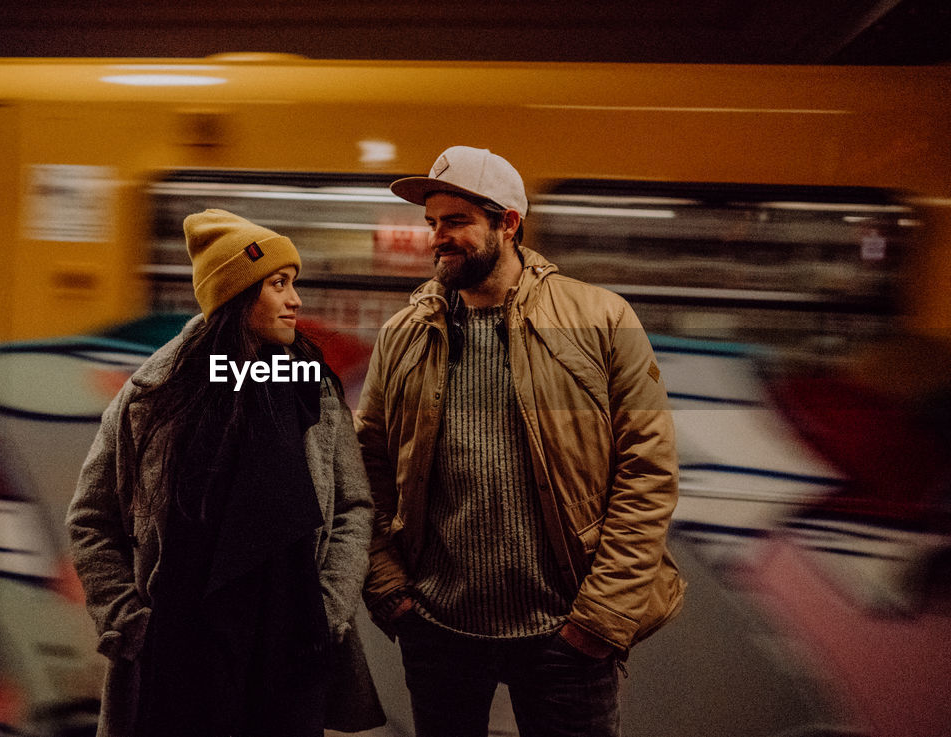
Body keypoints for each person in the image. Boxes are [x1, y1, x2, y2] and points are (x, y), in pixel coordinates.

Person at [358, 146, 686, 737]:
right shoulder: (404, 334)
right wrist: (389, 589)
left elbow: (648, 471)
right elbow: (367, 464)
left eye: (456, 221)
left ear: (508, 223)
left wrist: (601, 617)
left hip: (566, 633)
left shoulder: (601, 319)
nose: (437, 237)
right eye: (432, 223)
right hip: (438, 630)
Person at [67, 209, 383, 737]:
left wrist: (327, 609)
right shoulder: (156, 394)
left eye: (293, 283)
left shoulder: (310, 385)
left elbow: (353, 507)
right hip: (180, 662)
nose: (295, 300)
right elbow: (92, 519)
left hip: (290, 653)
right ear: (237, 297)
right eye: (278, 284)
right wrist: (130, 626)